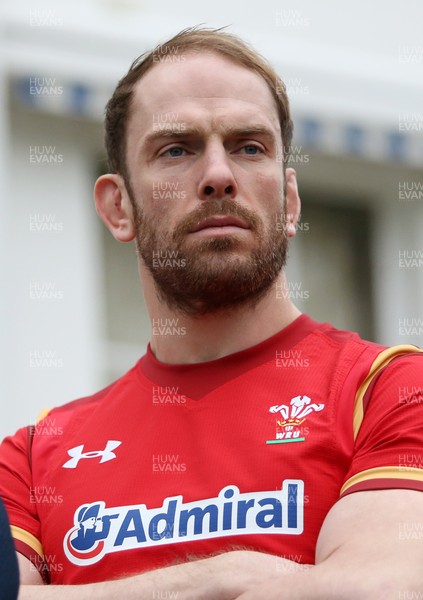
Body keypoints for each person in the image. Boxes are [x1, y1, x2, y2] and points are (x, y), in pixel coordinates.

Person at [1, 26, 422, 599]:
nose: (220, 175)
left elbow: (377, 591)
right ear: (117, 207)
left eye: (250, 147)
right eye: (177, 149)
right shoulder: (31, 457)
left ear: (290, 199)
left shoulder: (393, 392)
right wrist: (223, 579)